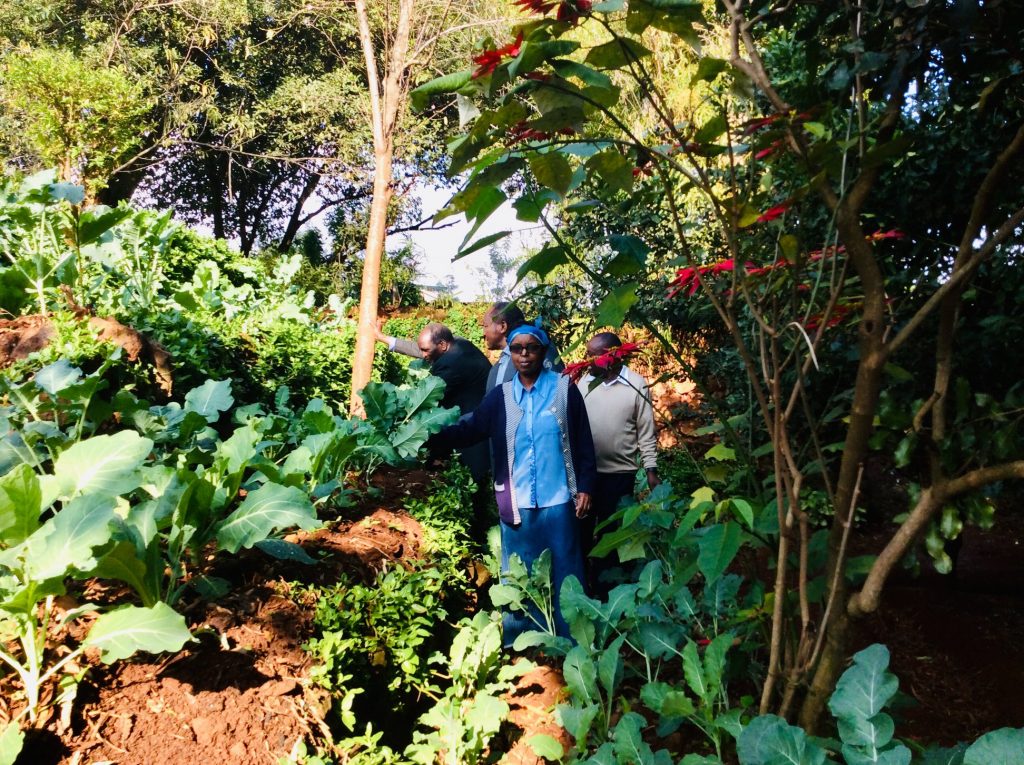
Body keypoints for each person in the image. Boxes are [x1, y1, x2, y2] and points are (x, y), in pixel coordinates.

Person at [429, 324, 596, 646]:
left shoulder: (563, 390)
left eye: (531, 348)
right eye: (516, 349)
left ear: (543, 352)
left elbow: (583, 441)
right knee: (520, 574)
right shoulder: (502, 397)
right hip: (517, 501)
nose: (523, 355)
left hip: (559, 499)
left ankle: (572, 641)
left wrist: (586, 485)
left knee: (565, 572)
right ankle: (523, 644)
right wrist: (429, 435)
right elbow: (472, 428)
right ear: (510, 353)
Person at [574, 332, 660, 597]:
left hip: (619, 475)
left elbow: (646, 431)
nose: (588, 360)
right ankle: (581, 589)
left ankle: (608, 594)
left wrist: (651, 469)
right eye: (587, 354)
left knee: (611, 537)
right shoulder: (583, 383)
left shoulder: (636, 384)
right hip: (586, 476)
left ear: (613, 354)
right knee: (581, 534)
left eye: (594, 354)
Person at [376, 323, 491, 483]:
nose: (423, 355)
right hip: (477, 413)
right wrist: (385, 338)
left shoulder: (451, 364)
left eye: (425, 350)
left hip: (472, 425)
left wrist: (390, 413)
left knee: (474, 480)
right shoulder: (457, 344)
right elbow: (423, 349)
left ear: (442, 345)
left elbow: (426, 398)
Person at [481, 301, 563, 392]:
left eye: (485, 326)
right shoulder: (497, 368)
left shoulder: (539, 354)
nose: (483, 333)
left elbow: (558, 391)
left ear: (503, 326)